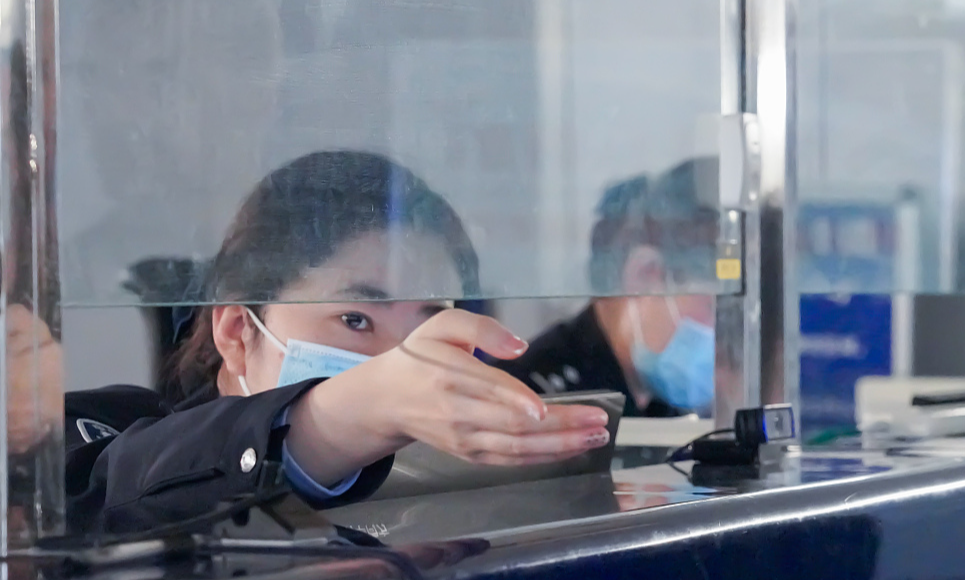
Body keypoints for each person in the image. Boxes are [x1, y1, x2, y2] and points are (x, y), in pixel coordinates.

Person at [65, 150, 611, 535]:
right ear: (236, 331)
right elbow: (95, 503)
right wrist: (334, 422)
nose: (400, 364)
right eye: (354, 319)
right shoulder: (101, 428)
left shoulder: (472, 476)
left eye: (426, 327)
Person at [494, 159, 719, 417]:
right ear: (644, 275)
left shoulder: (657, 404)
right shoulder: (533, 398)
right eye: (712, 307)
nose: (716, 335)